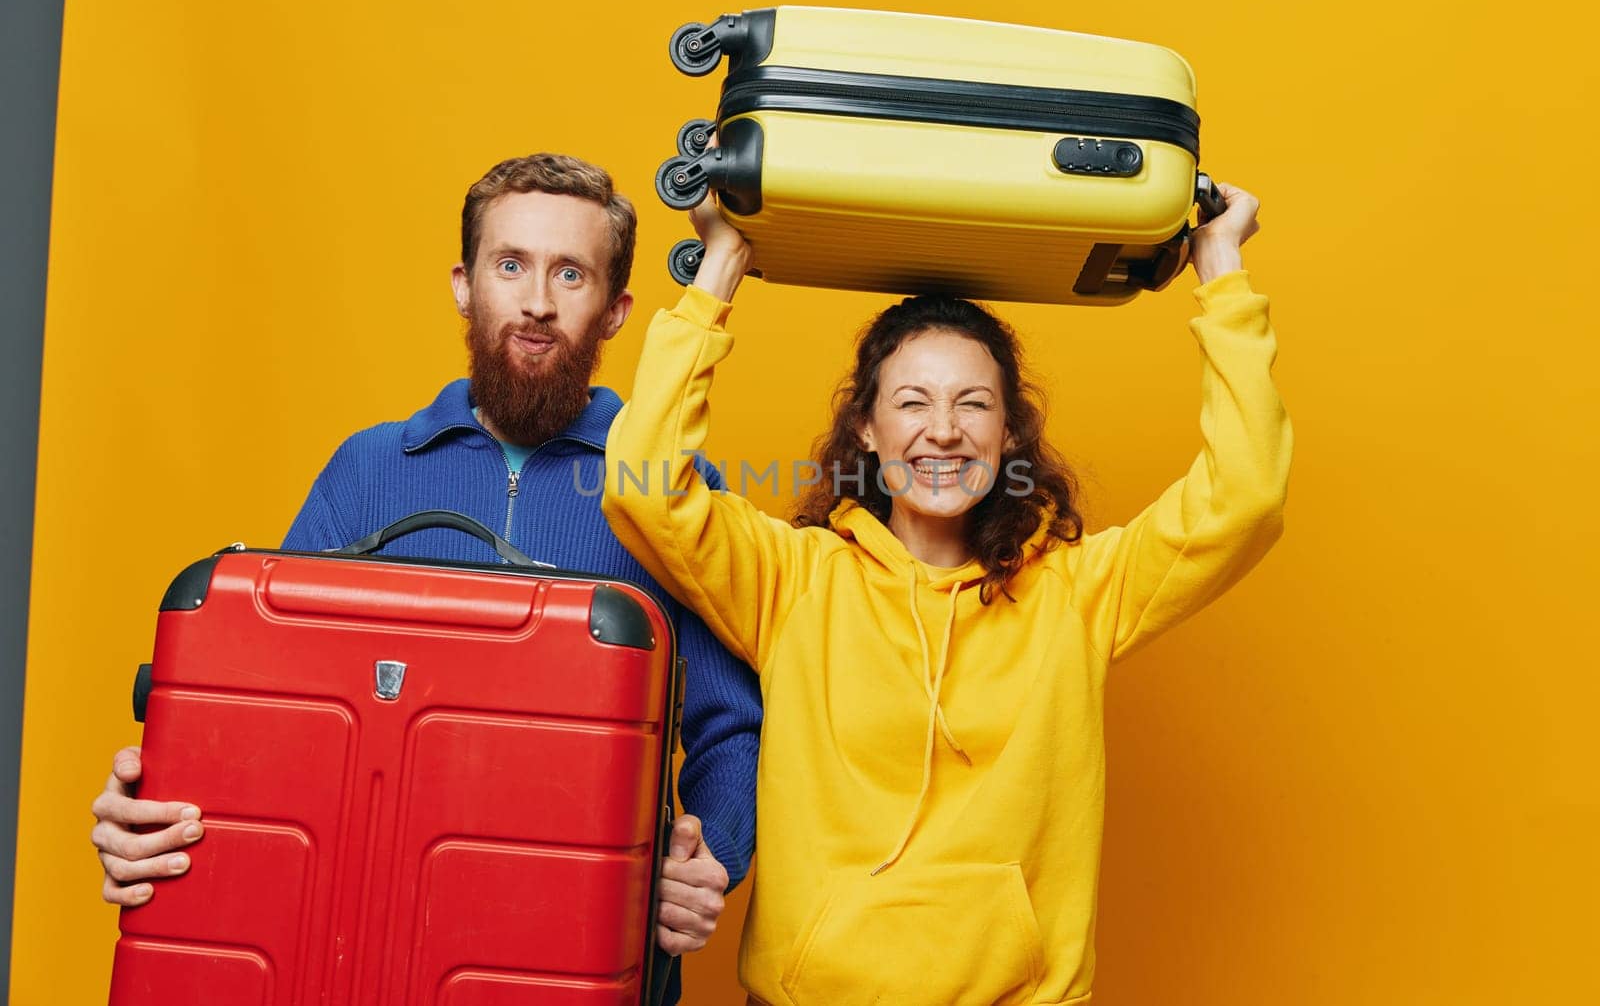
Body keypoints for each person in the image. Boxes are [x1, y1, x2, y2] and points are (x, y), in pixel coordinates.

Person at [88, 153, 762, 1001]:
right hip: (360, 954)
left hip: (571, 960)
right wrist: (155, 799)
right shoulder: (367, 469)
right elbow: (266, 702)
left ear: (617, 310)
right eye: (510, 264)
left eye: (571, 274)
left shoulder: (668, 494)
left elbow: (733, 728)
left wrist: (710, 861)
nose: (538, 302)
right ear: (463, 283)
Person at [601, 182, 1291, 1004]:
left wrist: (1221, 269)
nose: (944, 430)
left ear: (1008, 433)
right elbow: (644, 487)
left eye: (974, 404)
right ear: (868, 427)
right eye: (912, 402)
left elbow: (1245, 497)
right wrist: (720, 266)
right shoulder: (794, 581)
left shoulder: (1077, 592)